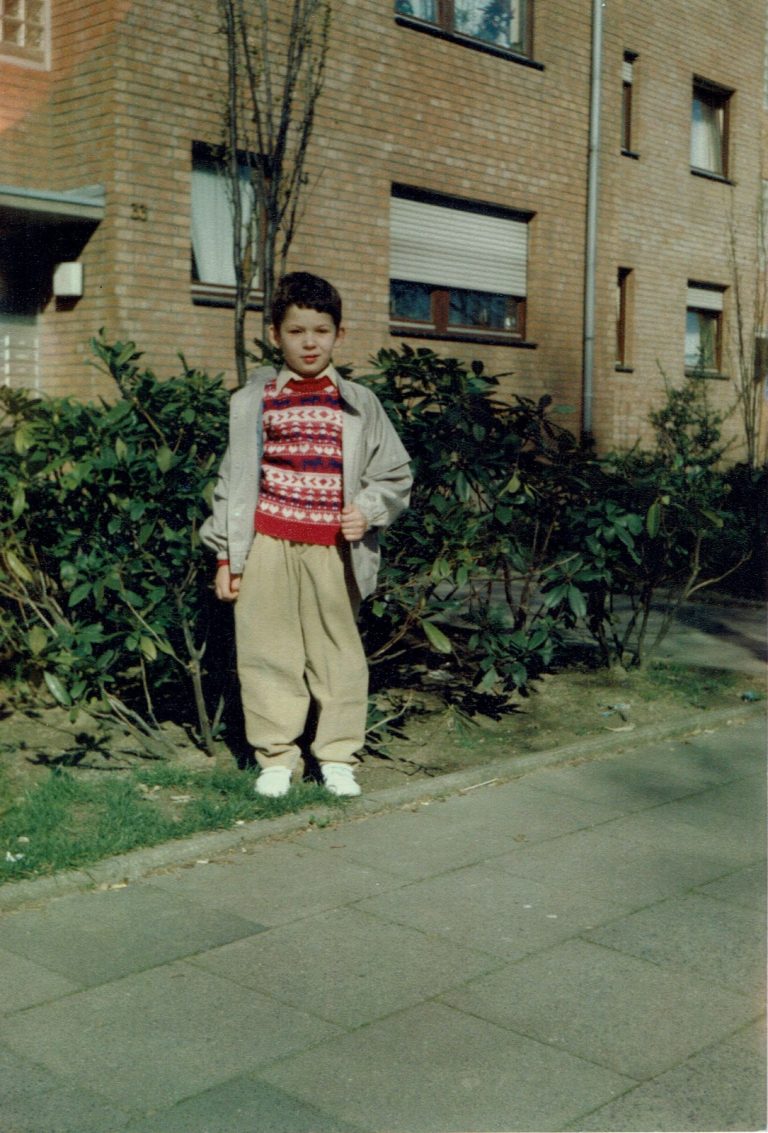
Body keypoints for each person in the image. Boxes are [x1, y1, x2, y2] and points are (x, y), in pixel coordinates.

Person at [200, 272, 412, 798]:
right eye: (297, 332)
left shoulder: (358, 403)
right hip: (267, 545)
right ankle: (276, 756)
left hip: (332, 550)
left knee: (337, 653)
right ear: (276, 335)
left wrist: (368, 510)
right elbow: (232, 483)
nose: (310, 343)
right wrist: (227, 557)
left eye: (321, 331)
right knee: (267, 650)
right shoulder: (254, 402)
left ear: (339, 334)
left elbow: (394, 475)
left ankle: (337, 756)